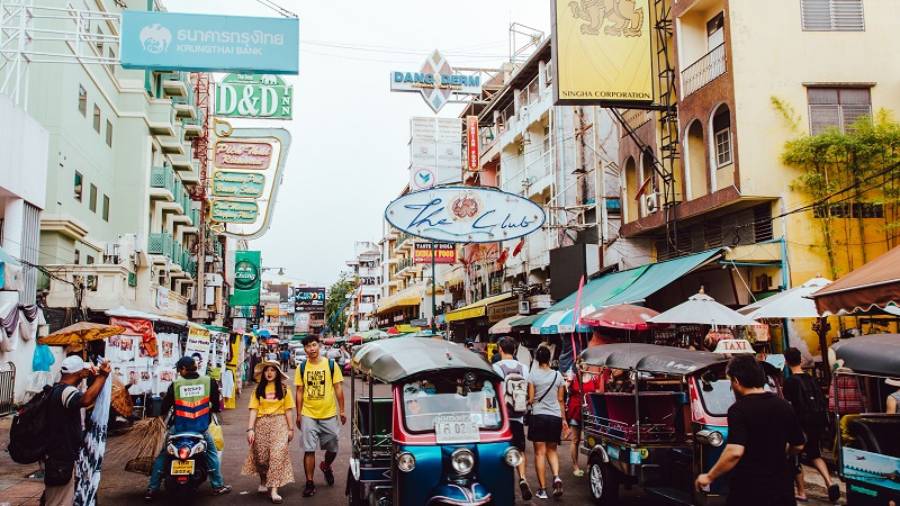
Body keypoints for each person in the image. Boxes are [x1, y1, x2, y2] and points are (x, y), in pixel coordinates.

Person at [695, 355, 805, 506]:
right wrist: (781, 451)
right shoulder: (784, 405)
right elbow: (798, 445)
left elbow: (734, 452)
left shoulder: (738, 410)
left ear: (737, 381)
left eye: (731, 382)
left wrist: (709, 476)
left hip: (749, 489)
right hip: (781, 488)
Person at [145, 356, 232, 501]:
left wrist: (158, 418)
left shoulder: (176, 384)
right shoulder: (208, 382)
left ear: (184, 369)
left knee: (163, 455)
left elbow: (165, 407)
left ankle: (152, 488)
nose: (179, 373)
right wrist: (210, 409)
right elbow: (216, 405)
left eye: (179, 370)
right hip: (201, 430)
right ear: (195, 367)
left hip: (178, 430)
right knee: (211, 453)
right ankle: (218, 485)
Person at [42, 356, 111, 506]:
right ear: (78, 373)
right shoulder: (66, 392)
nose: (84, 373)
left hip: (58, 456)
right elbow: (85, 400)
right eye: (82, 371)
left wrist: (94, 375)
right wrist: (103, 376)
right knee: (59, 501)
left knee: (63, 497)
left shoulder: (57, 389)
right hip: (60, 458)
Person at [783, 348, 839, 503]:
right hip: (817, 423)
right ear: (800, 360)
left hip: (800, 425)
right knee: (815, 454)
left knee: (793, 457)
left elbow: (788, 406)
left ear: (786, 362)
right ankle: (829, 482)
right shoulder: (811, 379)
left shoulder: (789, 382)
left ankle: (801, 492)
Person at [295, 335, 346, 498]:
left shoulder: (331, 365)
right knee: (309, 449)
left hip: (329, 414)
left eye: (314, 345)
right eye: (308, 346)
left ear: (319, 346)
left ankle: (326, 465)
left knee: (333, 447)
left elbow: (338, 388)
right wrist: (298, 414)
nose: (312, 349)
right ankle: (310, 483)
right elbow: (299, 391)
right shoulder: (301, 367)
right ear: (305, 350)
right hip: (308, 414)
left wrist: (342, 410)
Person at [242, 361, 295, 504]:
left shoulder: (284, 389)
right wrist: (250, 429)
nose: (269, 373)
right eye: (267, 370)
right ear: (263, 373)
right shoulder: (258, 389)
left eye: (273, 370)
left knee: (277, 455)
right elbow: (253, 409)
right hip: (261, 424)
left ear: (277, 373)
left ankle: (274, 491)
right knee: (262, 457)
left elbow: (288, 410)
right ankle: (263, 480)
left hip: (280, 423)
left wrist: (291, 429)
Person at [492, 336, 533, 501]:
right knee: (520, 450)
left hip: (501, 418)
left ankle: (501, 483)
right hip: (518, 416)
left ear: (500, 349)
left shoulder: (496, 367)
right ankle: (522, 477)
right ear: (515, 350)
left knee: (500, 452)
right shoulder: (524, 368)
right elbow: (529, 389)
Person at [527, 345, 568, 499]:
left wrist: (526, 402)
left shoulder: (533, 376)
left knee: (540, 453)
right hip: (555, 417)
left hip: (539, 417)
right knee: (552, 450)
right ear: (549, 359)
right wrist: (564, 420)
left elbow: (531, 399)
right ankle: (556, 477)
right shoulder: (558, 376)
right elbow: (561, 400)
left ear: (537, 359)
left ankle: (543, 490)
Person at [566, 365, 601, 478]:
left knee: (591, 441)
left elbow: (597, 394)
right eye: (579, 363)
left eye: (584, 362)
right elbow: (565, 389)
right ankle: (575, 466)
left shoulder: (594, 378)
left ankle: (590, 465)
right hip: (575, 410)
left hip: (589, 413)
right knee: (575, 440)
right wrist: (568, 382)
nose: (581, 365)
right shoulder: (574, 377)